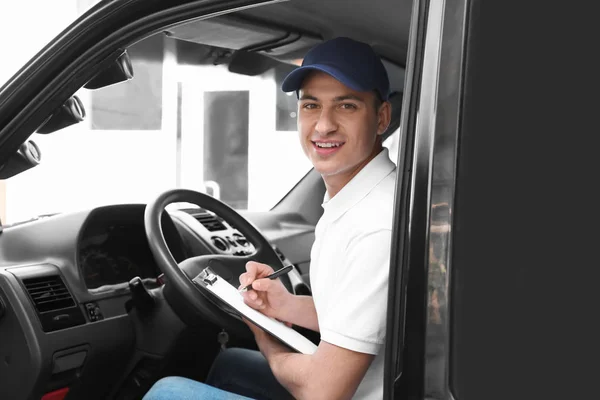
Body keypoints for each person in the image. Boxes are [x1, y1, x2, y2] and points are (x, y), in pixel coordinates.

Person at [144, 36, 396, 400]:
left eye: (346, 106)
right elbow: (359, 314)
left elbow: (322, 392)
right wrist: (284, 306)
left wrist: (265, 335)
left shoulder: (374, 224)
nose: (323, 125)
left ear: (382, 118)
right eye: (311, 105)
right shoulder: (357, 199)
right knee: (230, 364)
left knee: (167, 392)